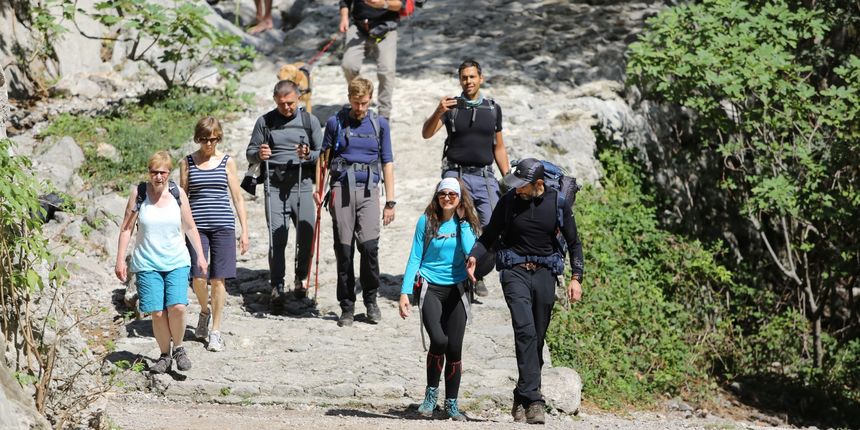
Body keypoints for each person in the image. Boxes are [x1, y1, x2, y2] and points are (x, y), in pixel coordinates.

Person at [466, 158, 583, 425]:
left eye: (522, 186)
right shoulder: (508, 202)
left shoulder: (557, 203)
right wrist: (474, 256)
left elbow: (574, 243)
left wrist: (576, 278)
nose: (517, 189)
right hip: (514, 270)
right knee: (525, 330)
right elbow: (489, 235)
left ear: (538, 184)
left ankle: (521, 395)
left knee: (537, 338)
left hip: (544, 272)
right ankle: (535, 401)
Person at [421, 59, 510, 298]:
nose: (468, 81)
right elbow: (426, 133)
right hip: (455, 174)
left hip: (484, 175)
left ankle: (478, 271)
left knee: (493, 227)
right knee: (455, 224)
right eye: (464, 77)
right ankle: (453, 275)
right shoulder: (451, 108)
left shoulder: (492, 109)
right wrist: (438, 111)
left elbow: (498, 148)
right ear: (459, 80)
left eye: (472, 77)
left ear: (481, 78)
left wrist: (509, 179)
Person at [115, 151, 208, 374]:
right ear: (149, 172)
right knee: (157, 312)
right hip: (147, 262)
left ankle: (179, 348)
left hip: (176, 260)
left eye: (163, 172)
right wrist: (120, 260)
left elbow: (190, 226)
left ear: (169, 173)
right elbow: (127, 228)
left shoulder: (178, 194)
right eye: (154, 172)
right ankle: (165, 354)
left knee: (177, 307)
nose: (158, 177)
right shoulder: (139, 194)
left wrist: (202, 257)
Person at [315, 76, 395, 327]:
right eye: (356, 102)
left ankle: (370, 300)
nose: (360, 108)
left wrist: (390, 201)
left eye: (364, 103)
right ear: (349, 98)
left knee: (370, 248)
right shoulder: (334, 123)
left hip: (370, 189)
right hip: (341, 188)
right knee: (344, 250)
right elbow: (323, 159)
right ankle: (347, 306)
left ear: (370, 99)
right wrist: (319, 189)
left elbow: (387, 162)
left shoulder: (379, 124)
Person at [398, 178, 480, 421]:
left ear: (459, 199)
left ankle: (451, 404)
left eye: (452, 195)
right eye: (442, 194)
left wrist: (464, 221)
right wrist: (405, 292)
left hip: (457, 290)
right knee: (439, 340)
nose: (447, 198)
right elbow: (415, 257)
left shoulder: (465, 223)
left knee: (454, 347)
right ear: (436, 197)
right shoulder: (426, 222)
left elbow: (471, 251)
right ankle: (430, 396)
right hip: (430, 288)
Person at [246, 80, 323, 314]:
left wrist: (308, 154)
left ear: (298, 99)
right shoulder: (265, 122)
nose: (287, 108)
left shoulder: (310, 121)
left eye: (290, 103)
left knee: (307, 235)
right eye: (282, 104)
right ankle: (277, 286)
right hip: (274, 186)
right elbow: (250, 153)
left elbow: (322, 153)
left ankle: (301, 279)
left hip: (303, 184)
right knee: (277, 239)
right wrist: (260, 153)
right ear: (275, 100)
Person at [180, 117, 249, 352]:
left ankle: (216, 331)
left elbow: (238, 198)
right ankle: (204, 310)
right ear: (197, 139)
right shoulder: (187, 162)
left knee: (218, 279)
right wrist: (180, 231)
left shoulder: (227, 162)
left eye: (213, 139)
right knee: (198, 276)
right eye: (204, 139)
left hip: (223, 226)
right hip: (196, 228)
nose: (209, 144)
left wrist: (245, 231)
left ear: (219, 137)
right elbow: (183, 199)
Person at [338, 0, 402, 119]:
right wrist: (344, 18)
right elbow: (345, 2)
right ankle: (361, 97)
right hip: (358, 26)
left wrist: (383, 4)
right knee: (348, 66)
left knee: (386, 71)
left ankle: (384, 114)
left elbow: (399, 4)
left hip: (386, 28)